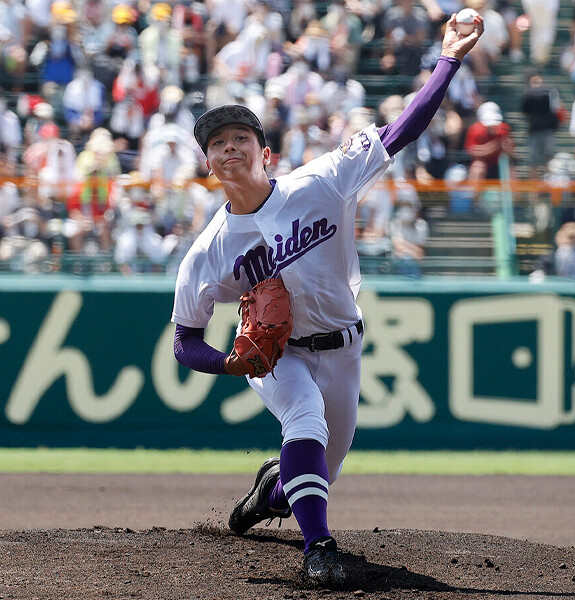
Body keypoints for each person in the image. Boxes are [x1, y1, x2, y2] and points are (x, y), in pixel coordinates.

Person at [170, 13, 483, 588]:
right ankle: (320, 551)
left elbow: (401, 131)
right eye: (217, 143)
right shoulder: (209, 252)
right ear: (209, 166)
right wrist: (227, 361)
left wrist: (448, 61)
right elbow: (184, 341)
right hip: (278, 354)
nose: (229, 147)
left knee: (316, 472)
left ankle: (272, 494)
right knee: (304, 420)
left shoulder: (322, 183)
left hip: (343, 347)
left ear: (266, 156)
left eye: (241, 138)